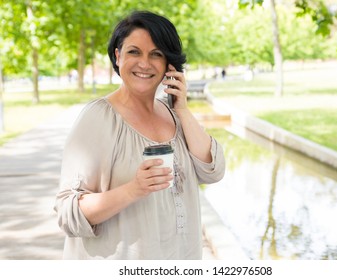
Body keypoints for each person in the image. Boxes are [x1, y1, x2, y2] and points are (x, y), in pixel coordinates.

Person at [54, 10, 225, 260]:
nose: (144, 63)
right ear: (118, 56)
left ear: (170, 64)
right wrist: (133, 189)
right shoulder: (99, 118)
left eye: (156, 54)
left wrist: (183, 109)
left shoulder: (175, 115)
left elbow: (214, 171)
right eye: (134, 52)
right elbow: (67, 212)